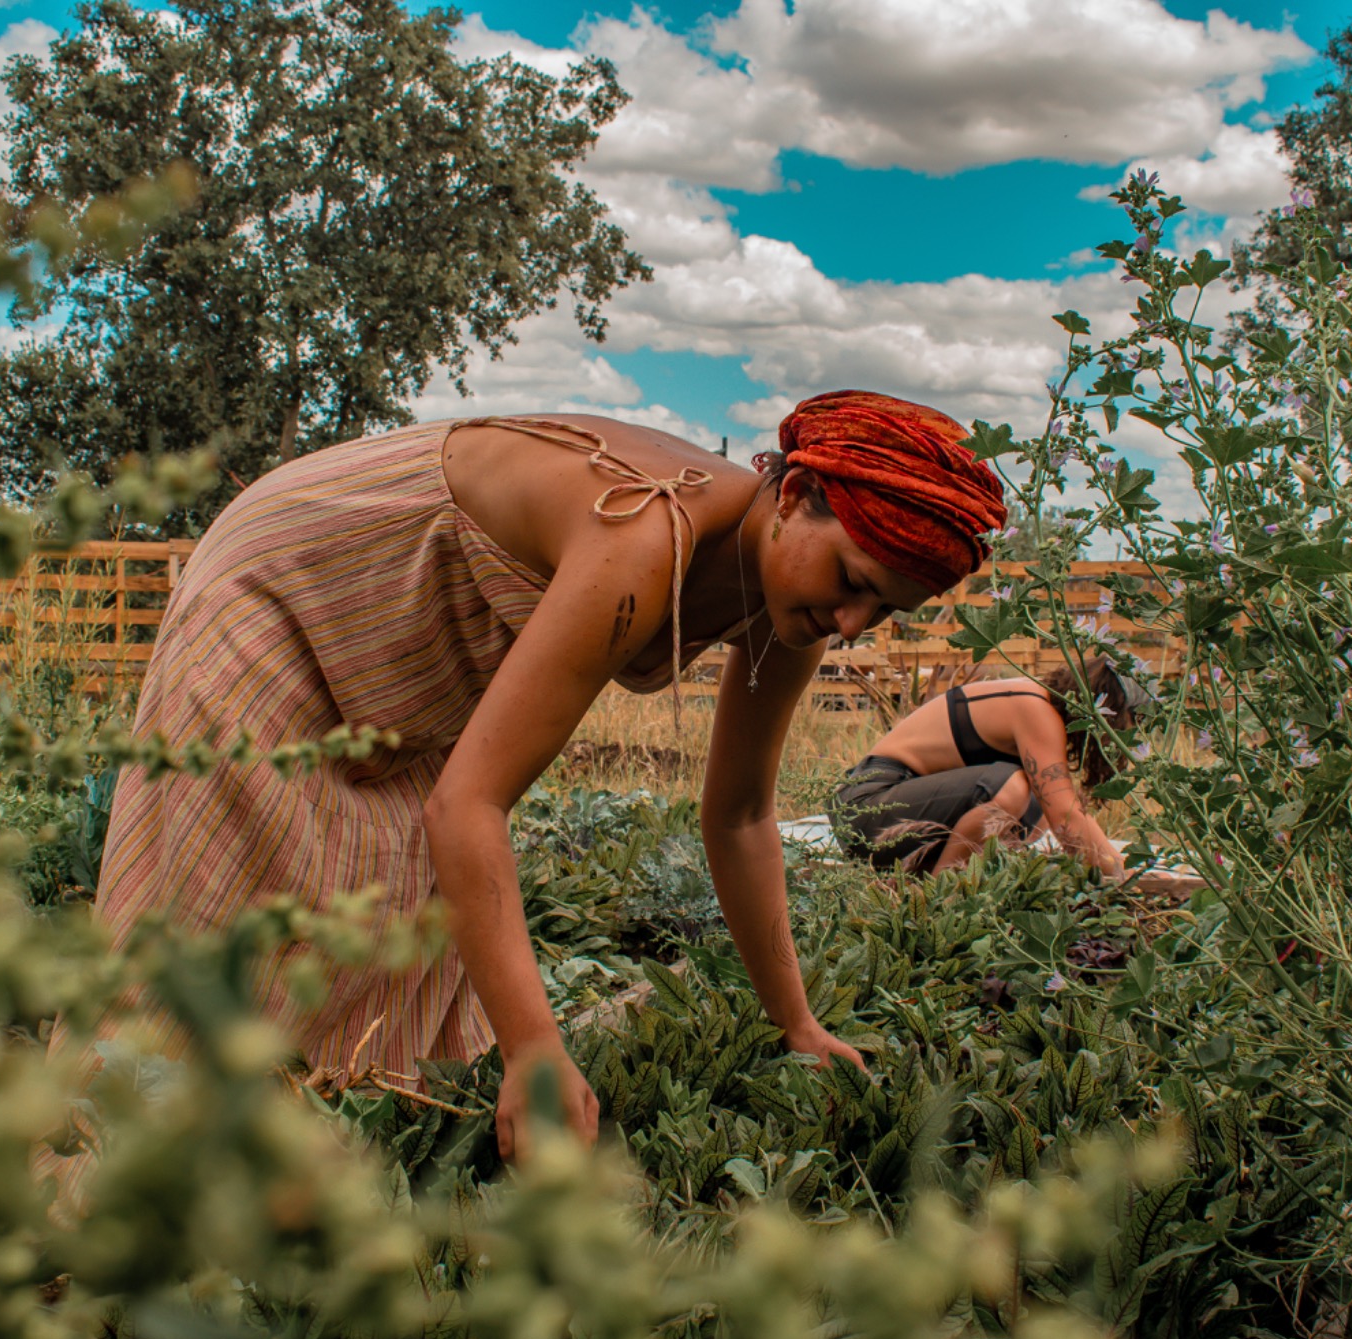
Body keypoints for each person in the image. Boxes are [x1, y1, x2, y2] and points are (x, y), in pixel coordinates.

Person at [84, 390, 1007, 1163]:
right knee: (245, 899)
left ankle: (302, 1152)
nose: (850, 623)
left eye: (882, 608)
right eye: (852, 578)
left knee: (390, 918)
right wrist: (534, 1050)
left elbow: (740, 814)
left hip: (405, 669)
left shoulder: (791, 605)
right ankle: (125, 1167)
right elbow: (470, 805)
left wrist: (798, 1023)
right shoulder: (645, 533)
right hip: (288, 581)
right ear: (796, 490)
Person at [834, 658, 1158, 875]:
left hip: (901, 814)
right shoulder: (1035, 707)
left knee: (1034, 810)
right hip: (865, 808)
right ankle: (939, 900)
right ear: (1110, 709)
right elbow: (1067, 816)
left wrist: (1105, 866)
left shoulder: (1042, 710)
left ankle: (949, 883)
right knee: (1012, 788)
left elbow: (1057, 815)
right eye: (1134, 721)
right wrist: (1118, 875)